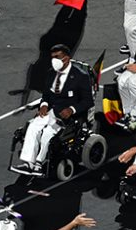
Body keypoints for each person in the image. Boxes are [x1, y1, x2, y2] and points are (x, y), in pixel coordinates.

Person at [16, 44, 94, 174]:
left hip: (68, 117)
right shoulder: (51, 73)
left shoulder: (81, 76)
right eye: (53, 58)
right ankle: (29, 163)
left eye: (57, 57)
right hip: (51, 111)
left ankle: (39, 163)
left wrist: (72, 109)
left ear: (66, 59)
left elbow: (88, 101)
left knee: (48, 133)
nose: (54, 61)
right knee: (33, 127)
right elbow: (46, 95)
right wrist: (44, 105)